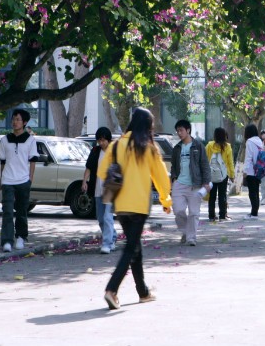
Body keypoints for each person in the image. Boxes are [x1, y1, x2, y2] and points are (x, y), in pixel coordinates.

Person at [103, 108, 171, 310]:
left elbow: (101, 172)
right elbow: (161, 177)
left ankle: (143, 292)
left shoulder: (115, 146)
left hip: (120, 204)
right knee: (130, 248)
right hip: (139, 206)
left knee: (135, 248)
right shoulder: (148, 148)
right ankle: (111, 289)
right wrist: (166, 200)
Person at [0, 109, 38, 253]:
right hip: (8, 180)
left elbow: (33, 161)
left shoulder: (30, 140)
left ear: (25, 122)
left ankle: (21, 236)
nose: (15, 122)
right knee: (7, 211)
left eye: (18, 119)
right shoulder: (4, 140)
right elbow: (2, 162)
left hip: (23, 180)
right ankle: (7, 241)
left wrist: (30, 179)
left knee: (22, 211)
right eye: (13, 119)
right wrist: (1, 180)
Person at [170, 119, 211, 246]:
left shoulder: (198, 146)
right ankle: (185, 231)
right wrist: (173, 179)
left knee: (194, 213)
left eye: (181, 130)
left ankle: (191, 237)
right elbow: (173, 166)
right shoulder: (177, 148)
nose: (179, 133)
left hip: (195, 184)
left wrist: (206, 182)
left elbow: (204, 164)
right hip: (179, 184)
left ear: (188, 130)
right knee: (178, 211)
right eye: (177, 131)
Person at [83, 127, 115, 254]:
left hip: (111, 188)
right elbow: (89, 167)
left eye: (103, 140)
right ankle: (112, 237)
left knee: (108, 217)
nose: (101, 143)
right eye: (99, 141)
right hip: (97, 187)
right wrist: (84, 181)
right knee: (101, 218)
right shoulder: (95, 151)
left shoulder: (115, 151)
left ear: (108, 139)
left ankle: (107, 243)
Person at [206, 127, 234, 222]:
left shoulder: (209, 146)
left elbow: (205, 160)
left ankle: (211, 216)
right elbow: (230, 162)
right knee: (222, 195)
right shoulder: (227, 147)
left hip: (211, 175)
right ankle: (222, 215)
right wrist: (232, 175)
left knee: (212, 196)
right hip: (223, 175)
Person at [242, 124, 265, 218]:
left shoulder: (249, 142)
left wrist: (245, 170)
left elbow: (248, 158)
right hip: (259, 169)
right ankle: (255, 212)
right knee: (256, 191)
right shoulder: (259, 141)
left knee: (252, 192)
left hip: (251, 170)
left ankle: (254, 213)